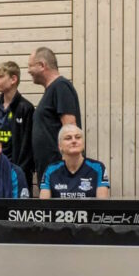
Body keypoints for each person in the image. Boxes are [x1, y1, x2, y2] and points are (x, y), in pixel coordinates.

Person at [29, 46, 81, 182]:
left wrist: (67, 170)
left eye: (30, 66)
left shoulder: (61, 87)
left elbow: (70, 128)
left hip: (60, 173)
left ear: (42, 65)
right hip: (50, 171)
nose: (29, 71)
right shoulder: (52, 89)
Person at [0, 61, 35, 182]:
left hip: (18, 172)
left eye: (0, 77)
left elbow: (28, 146)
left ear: (13, 79)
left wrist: (19, 172)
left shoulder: (26, 108)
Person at [39, 124, 110, 199]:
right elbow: (44, 204)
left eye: (78, 137)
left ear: (83, 143)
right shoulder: (50, 170)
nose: (74, 141)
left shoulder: (98, 167)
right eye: (68, 138)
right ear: (60, 146)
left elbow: (102, 204)